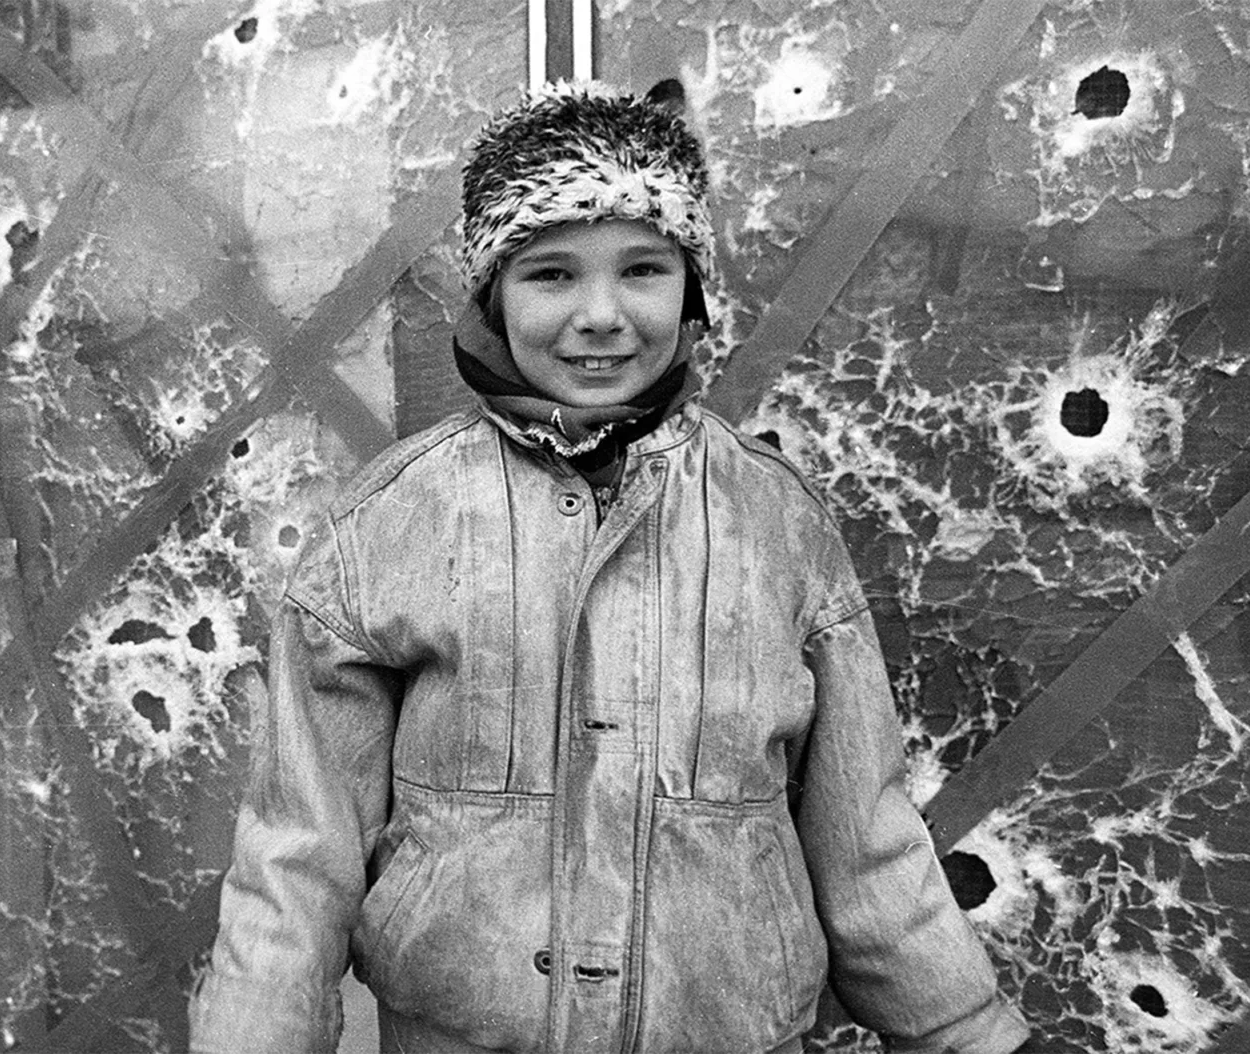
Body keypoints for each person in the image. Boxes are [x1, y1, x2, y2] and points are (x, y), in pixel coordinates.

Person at [189, 81, 1031, 1054]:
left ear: (693, 286)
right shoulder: (386, 528)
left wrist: (966, 1030)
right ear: (493, 291)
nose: (600, 314)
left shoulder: (777, 523)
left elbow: (869, 843)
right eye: (550, 274)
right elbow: (296, 860)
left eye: (641, 268)